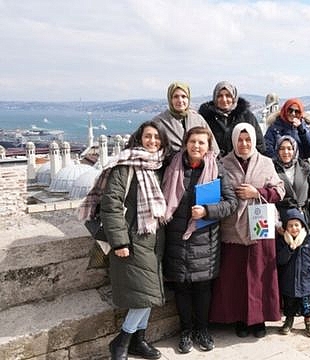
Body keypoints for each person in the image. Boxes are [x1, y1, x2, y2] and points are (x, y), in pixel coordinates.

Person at [78, 121, 170, 360]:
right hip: (132, 239)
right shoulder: (125, 166)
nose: (152, 141)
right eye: (148, 137)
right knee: (144, 295)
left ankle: (139, 341)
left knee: (147, 295)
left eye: (157, 137)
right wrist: (119, 242)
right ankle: (122, 341)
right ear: (139, 139)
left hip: (154, 240)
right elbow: (111, 205)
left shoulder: (158, 165)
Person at [161, 127, 237, 354]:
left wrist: (206, 210)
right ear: (185, 143)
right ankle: (185, 332)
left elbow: (231, 203)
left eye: (201, 143)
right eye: (192, 141)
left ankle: (202, 330)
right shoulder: (172, 167)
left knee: (203, 289)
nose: (196, 146)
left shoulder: (216, 169)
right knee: (182, 288)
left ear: (208, 146)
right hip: (177, 237)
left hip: (205, 240)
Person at [209, 123, 285, 338]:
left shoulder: (266, 163)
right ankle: (241, 318)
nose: (244, 144)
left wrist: (257, 192)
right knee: (235, 277)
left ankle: (259, 318)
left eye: (248, 140)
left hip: (259, 227)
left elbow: (279, 190)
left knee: (260, 275)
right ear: (234, 141)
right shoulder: (223, 164)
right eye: (240, 140)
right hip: (232, 228)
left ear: (253, 140)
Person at [276, 208, 310, 337]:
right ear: (286, 227)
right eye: (290, 226)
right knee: (289, 304)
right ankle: (289, 321)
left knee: (307, 305)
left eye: (296, 225)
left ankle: (308, 322)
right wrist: (289, 249)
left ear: (302, 225)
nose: (294, 228)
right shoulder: (283, 241)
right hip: (289, 282)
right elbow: (280, 260)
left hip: (306, 281)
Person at [273, 135, 310, 233]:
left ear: (295, 150)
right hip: (281, 219)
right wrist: (276, 221)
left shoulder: (305, 167)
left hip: (302, 217)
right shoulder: (271, 168)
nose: (286, 152)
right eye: (282, 149)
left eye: (289, 148)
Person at [198, 81, 266, 157]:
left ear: (234, 97)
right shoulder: (206, 117)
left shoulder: (246, 116)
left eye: (228, 96)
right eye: (220, 96)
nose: (224, 99)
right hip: (213, 164)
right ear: (215, 98)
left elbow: (259, 143)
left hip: (241, 164)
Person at [151, 82, 216, 156]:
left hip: (200, 165)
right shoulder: (159, 122)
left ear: (188, 98)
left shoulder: (198, 119)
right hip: (171, 166)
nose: (180, 100)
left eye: (183, 96)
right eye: (175, 97)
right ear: (170, 99)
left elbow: (213, 147)